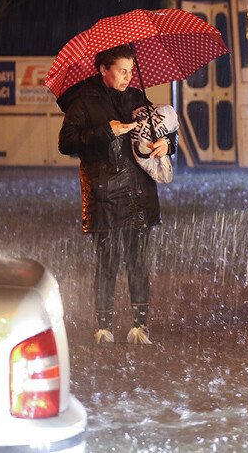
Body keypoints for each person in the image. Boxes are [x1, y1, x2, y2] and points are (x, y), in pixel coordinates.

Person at [58, 44, 175, 345]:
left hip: (138, 192)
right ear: (103, 70)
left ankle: (140, 327)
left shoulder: (136, 96)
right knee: (107, 263)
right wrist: (106, 132)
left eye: (131, 70)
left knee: (138, 263)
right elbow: (66, 142)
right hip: (105, 194)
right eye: (122, 71)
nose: (128, 76)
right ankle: (104, 327)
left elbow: (158, 128)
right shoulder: (83, 101)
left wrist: (166, 143)